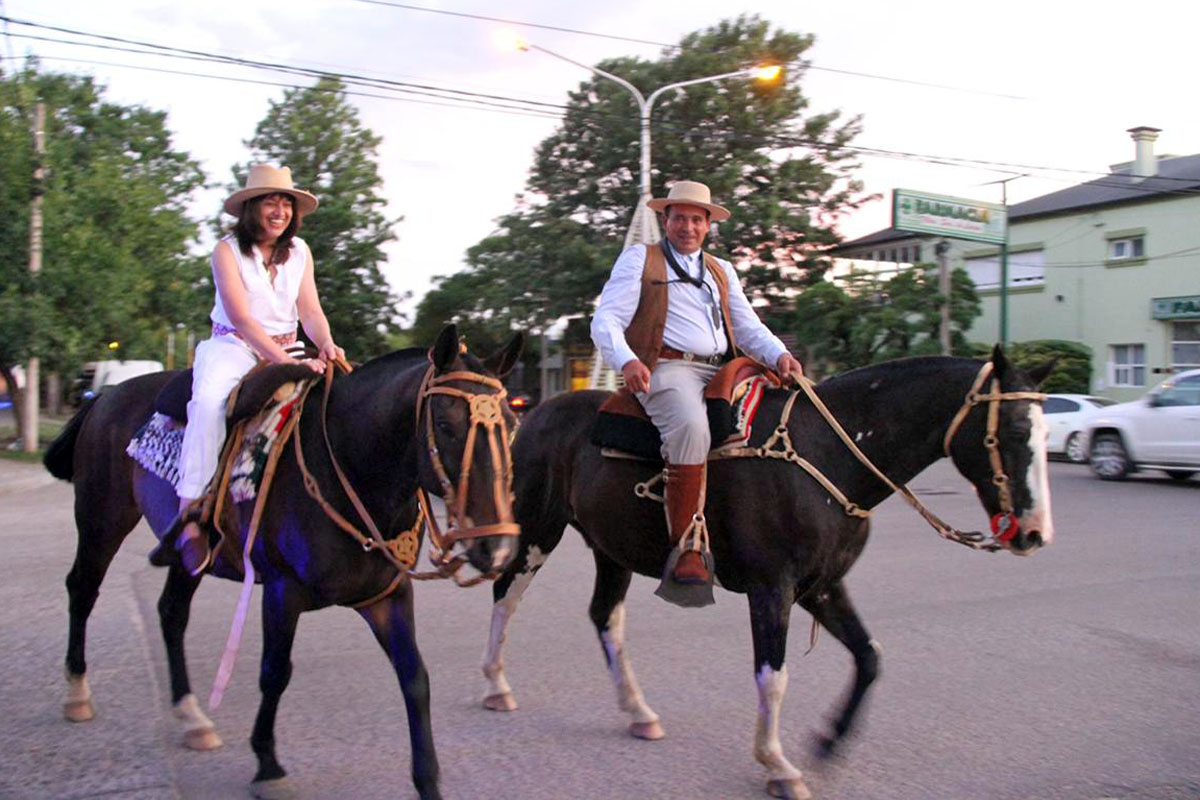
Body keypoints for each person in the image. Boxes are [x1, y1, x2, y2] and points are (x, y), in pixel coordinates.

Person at [590, 180, 804, 595]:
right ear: (665, 220)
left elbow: (747, 326)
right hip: (668, 369)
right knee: (691, 427)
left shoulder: (721, 270)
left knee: (783, 414)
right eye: (679, 218)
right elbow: (606, 320)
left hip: (724, 369)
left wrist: (779, 355)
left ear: (708, 225)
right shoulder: (640, 259)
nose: (688, 226)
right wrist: (627, 360)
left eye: (696, 219)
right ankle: (686, 545)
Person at [160, 164, 344, 575]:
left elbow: (309, 309)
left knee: (338, 402)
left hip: (290, 345)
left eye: (286, 203)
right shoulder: (227, 251)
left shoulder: (299, 252)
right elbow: (242, 318)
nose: (279, 210)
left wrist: (326, 342)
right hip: (234, 346)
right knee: (208, 405)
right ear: (251, 209)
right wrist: (287, 364)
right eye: (270, 202)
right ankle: (191, 511)